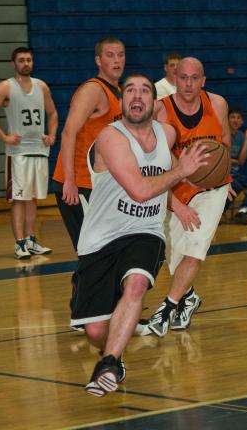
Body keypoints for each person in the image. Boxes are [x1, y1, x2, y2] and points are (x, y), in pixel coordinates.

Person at [70, 74, 208, 397]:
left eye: (144, 90)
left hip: (144, 231)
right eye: (129, 90)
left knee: (136, 284)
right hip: (100, 240)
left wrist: (185, 197)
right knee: (94, 331)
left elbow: (166, 176)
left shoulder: (168, 134)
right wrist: (181, 171)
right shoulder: (110, 138)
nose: (136, 96)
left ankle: (109, 364)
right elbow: (141, 190)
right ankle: (110, 351)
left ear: (154, 103)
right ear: (121, 103)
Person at [137, 57, 233, 338]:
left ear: (203, 80)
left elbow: (225, 142)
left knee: (194, 247)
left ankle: (165, 311)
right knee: (173, 255)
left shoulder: (218, 104)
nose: (189, 83)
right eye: (183, 77)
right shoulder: (161, 112)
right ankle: (188, 297)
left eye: (194, 78)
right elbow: (155, 161)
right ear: (173, 79)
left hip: (212, 190)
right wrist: (177, 206)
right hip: (176, 189)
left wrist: (223, 173)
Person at [0, 47, 58, 259]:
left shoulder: (41, 86)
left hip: (39, 150)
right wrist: (4, 137)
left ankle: (31, 240)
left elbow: (52, 113)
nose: (26, 63)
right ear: (13, 63)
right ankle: (19, 243)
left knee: (33, 198)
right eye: (22, 60)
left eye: (29, 60)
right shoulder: (6, 87)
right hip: (18, 153)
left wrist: (51, 135)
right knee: (18, 198)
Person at [52, 37, 125, 251]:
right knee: (91, 252)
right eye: (110, 55)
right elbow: (68, 133)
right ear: (98, 60)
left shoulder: (118, 92)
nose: (116, 60)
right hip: (79, 185)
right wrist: (70, 181)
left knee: (106, 251)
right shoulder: (93, 90)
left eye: (120, 55)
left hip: (99, 184)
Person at [224, 108, 247, 224]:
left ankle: (243, 210)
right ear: (227, 119)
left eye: (238, 118)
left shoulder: (241, 136)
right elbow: (223, 159)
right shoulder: (223, 134)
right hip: (223, 174)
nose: (235, 120)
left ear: (242, 122)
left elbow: (241, 161)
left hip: (236, 174)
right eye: (232, 117)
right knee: (237, 186)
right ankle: (219, 212)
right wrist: (233, 160)